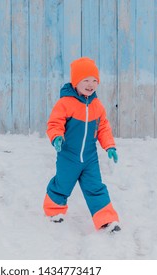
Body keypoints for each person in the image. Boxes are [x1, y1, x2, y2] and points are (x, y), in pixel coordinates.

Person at [43, 57, 120, 233]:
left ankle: (107, 220)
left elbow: (103, 128)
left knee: (95, 187)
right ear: (75, 81)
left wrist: (110, 146)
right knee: (62, 184)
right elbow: (54, 123)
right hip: (68, 155)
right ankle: (54, 211)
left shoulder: (97, 106)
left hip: (89, 158)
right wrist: (56, 137)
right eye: (85, 80)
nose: (90, 84)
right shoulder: (65, 103)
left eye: (94, 80)